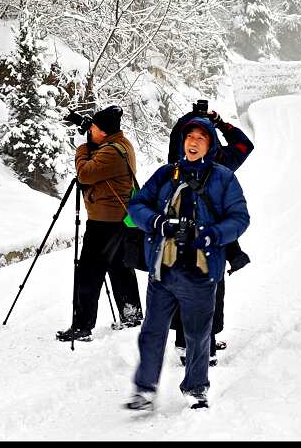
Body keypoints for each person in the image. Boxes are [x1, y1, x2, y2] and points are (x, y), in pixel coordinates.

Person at [123, 116, 250, 410]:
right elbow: (137, 205)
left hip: (201, 272)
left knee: (197, 334)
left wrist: (211, 234)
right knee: (152, 331)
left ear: (211, 145)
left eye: (201, 138)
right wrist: (157, 222)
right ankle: (144, 389)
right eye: (189, 137)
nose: (193, 142)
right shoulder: (166, 174)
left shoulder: (223, 178)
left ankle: (196, 388)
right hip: (162, 270)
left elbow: (240, 218)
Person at [168, 108, 254, 367]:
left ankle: (184, 342)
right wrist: (220, 123)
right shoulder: (222, 160)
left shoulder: (177, 161)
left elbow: (176, 136)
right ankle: (206, 346)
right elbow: (244, 144)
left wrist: (186, 119)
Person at [56, 105, 143, 342]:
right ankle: (131, 314)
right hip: (119, 220)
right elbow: (99, 149)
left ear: (103, 133)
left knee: (89, 273)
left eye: (93, 127)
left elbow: (84, 173)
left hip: (104, 222)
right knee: (119, 266)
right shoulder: (121, 143)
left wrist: (83, 148)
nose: (90, 130)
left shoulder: (111, 152)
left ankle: (82, 326)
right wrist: (90, 132)